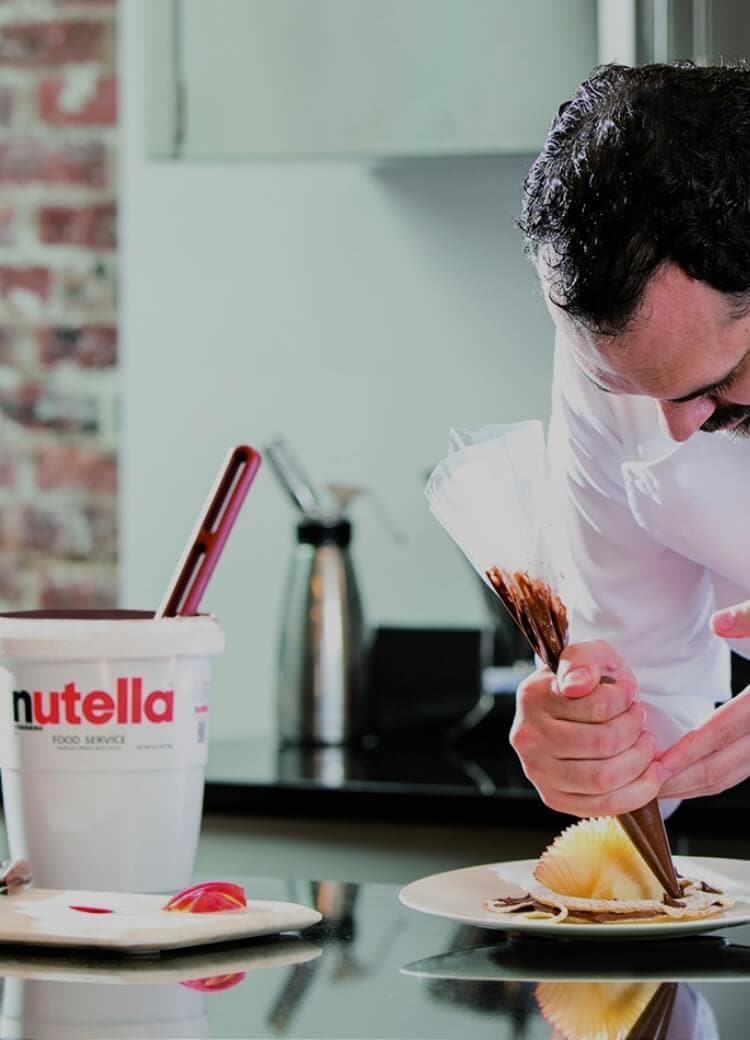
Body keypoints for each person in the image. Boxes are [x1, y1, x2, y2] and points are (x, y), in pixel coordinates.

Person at [511, 61, 750, 818]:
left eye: (724, 378)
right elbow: (651, 694)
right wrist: (597, 752)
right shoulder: (623, 361)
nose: (678, 427)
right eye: (632, 393)